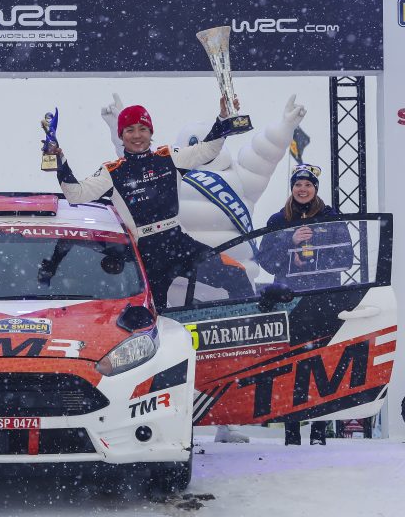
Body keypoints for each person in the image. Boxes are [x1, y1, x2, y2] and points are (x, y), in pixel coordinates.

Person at [102, 93, 308, 444]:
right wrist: (117, 125)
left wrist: (285, 126)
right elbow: (128, 169)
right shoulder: (165, 169)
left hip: (218, 284)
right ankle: (162, 418)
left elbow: (263, 154)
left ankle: (228, 419)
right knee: (168, 349)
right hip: (176, 275)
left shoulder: (237, 177)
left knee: (227, 354)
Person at [54, 97, 245, 312]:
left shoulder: (169, 157)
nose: (137, 135)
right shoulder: (112, 172)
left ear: (150, 132)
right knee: (153, 314)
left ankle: (248, 325)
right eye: (130, 130)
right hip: (146, 253)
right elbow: (76, 194)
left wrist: (223, 118)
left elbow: (208, 150)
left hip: (178, 242)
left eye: (142, 129)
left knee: (236, 275)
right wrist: (60, 163)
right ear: (121, 135)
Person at [258, 163, 353, 445]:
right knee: (291, 364)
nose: (302, 189)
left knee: (322, 363)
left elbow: (346, 258)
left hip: (324, 299)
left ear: (315, 188)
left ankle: (319, 433)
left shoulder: (331, 217)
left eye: (308, 185)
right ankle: (291, 433)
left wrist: (314, 260)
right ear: (292, 188)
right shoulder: (278, 220)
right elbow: (265, 261)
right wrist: (290, 242)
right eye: (298, 185)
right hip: (290, 301)